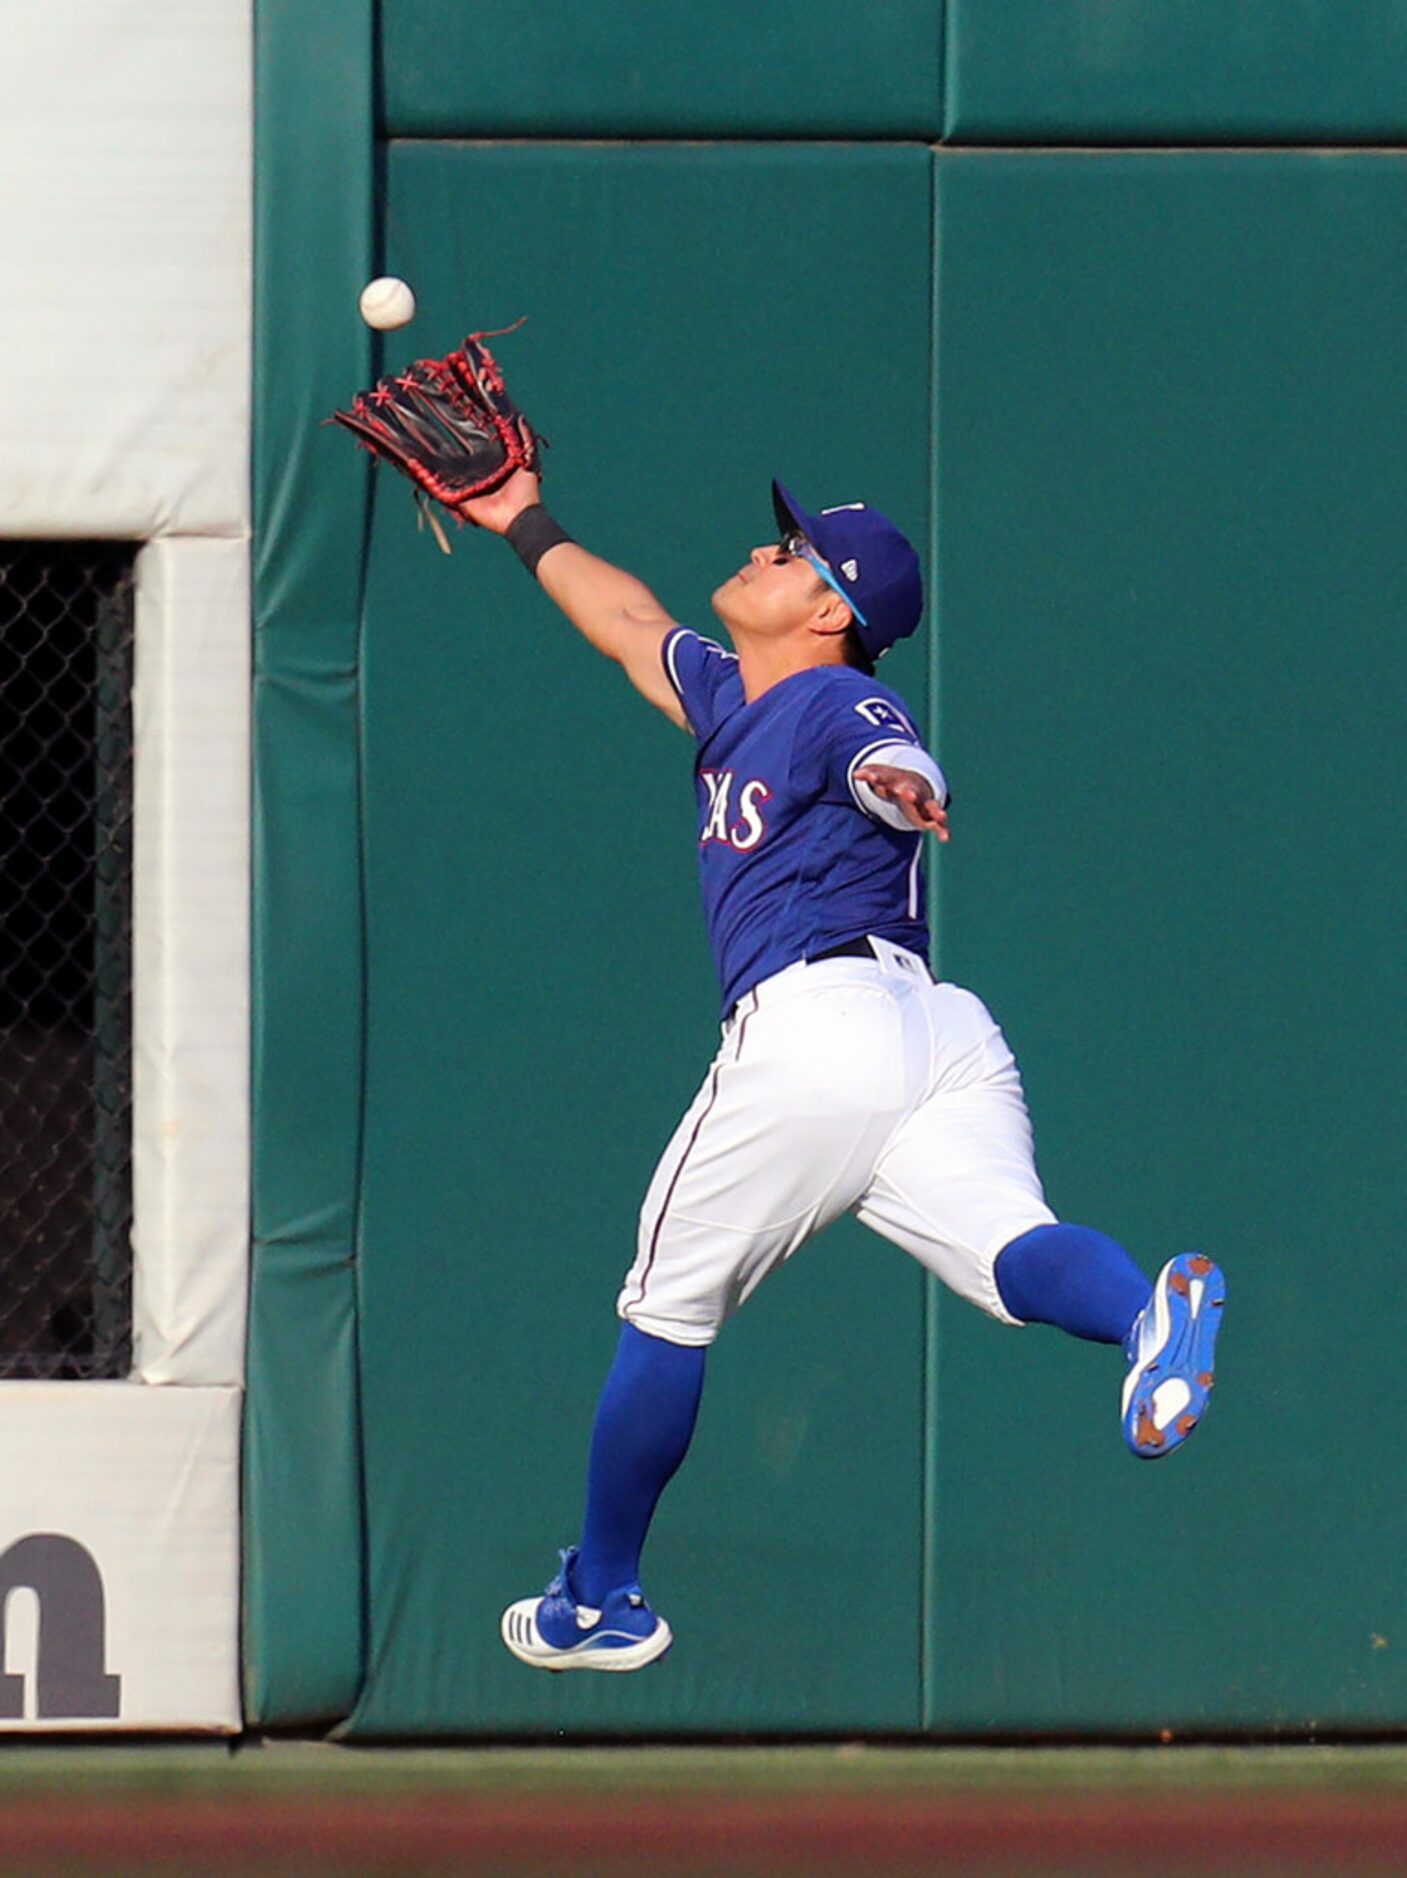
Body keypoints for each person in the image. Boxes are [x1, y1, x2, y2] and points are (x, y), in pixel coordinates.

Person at [459, 466, 1226, 1675]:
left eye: (793, 553)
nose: (765, 554)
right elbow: (626, 624)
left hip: (818, 1027)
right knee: (1013, 1250)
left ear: (830, 613)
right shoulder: (737, 698)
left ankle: (602, 1591)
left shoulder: (832, 704)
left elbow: (889, 756)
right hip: (938, 1039)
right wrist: (521, 518)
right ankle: (1147, 1318)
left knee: (666, 1304)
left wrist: (906, 788)